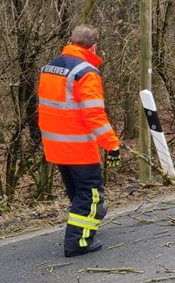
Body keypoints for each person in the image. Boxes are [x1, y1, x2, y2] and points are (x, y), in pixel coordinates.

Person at [38, 24, 122, 257]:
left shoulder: (50, 67)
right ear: (94, 46)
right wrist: (111, 144)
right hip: (77, 144)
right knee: (90, 193)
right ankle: (78, 241)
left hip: (55, 143)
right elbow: (94, 114)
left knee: (76, 191)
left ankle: (87, 221)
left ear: (71, 41)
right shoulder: (86, 72)